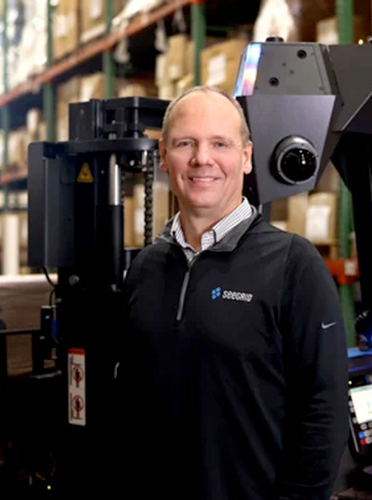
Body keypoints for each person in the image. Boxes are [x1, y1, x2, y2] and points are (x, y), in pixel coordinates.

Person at [117, 85, 348, 500]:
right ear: (164, 158)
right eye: (185, 143)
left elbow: (323, 413)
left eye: (219, 144)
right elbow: (132, 407)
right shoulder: (145, 269)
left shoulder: (294, 265)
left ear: (245, 157)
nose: (202, 158)